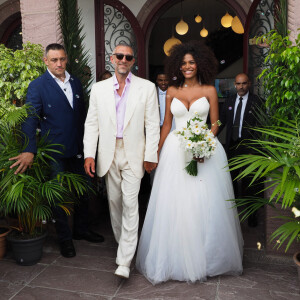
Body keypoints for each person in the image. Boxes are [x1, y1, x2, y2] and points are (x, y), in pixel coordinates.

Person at [136, 41, 243, 285]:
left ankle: (207, 258)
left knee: (203, 203)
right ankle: (176, 258)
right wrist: (155, 151)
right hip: (175, 151)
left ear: (199, 64)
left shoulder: (210, 91)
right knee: (175, 204)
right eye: (183, 63)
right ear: (177, 66)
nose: (187, 67)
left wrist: (203, 142)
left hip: (203, 151)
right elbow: (166, 124)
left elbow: (215, 123)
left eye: (191, 62)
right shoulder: (172, 91)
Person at [9, 43, 104, 258]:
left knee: (83, 190)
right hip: (54, 151)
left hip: (79, 148)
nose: (59, 63)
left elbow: (84, 118)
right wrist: (29, 149)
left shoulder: (76, 83)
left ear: (66, 59)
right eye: (54, 60)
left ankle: (81, 230)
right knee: (59, 195)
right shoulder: (37, 86)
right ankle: (65, 239)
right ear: (46, 61)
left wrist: (91, 147)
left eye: (62, 59)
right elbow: (31, 118)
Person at [83, 44, 160, 279]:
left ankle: (125, 260)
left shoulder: (147, 88)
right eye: (119, 56)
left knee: (130, 202)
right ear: (112, 59)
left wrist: (150, 156)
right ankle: (123, 245)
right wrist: (89, 154)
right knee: (115, 204)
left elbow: (152, 125)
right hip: (108, 152)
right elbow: (92, 124)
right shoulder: (98, 89)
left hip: (134, 153)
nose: (123, 59)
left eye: (128, 57)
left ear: (133, 61)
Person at [219, 73, 262, 227]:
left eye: (244, 83)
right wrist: (210, 135)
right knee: (231, 179)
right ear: (234, 85)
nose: (241, 87)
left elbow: (262, 127)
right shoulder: (229, 100)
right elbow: (221, 120)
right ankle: (233, 216)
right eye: (238, 84)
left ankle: (252, 216)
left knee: (250, 182)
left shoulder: (257, 101)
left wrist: (256, 149)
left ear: (249, 84)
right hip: (232, 146)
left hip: (250, 148)